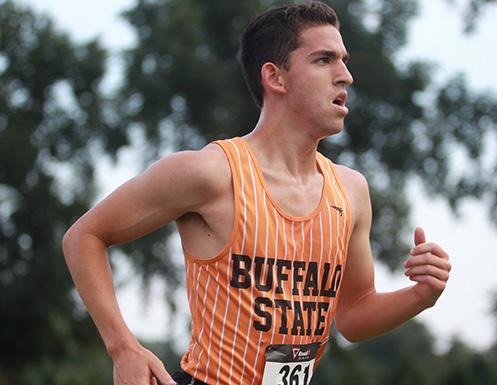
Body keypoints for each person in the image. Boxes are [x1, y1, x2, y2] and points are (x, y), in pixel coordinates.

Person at [62, 1, 451, 385]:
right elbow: (84, 236)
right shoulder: (210, 172)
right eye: (324, 60)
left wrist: (420, 296)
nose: (345, 76)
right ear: (275, 77)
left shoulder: (351, 190)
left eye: (344, 60)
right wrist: (123, 347)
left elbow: (353, 316)